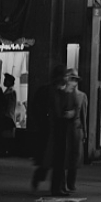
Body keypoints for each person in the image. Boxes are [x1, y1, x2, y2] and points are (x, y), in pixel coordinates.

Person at [29, 64, 69, 193]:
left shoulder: (62, 93)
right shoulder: (46, 91)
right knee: (47, 160)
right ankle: (42, 178)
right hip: (48, 130)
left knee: (58, 161)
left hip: (58, 130)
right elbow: (36, 109)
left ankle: (56, 187)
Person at [50, 68, 86, 195]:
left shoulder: (81, 96)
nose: (73, 82)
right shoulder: (62, 93)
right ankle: (61, 185)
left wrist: (84, 132)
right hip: (64, 130)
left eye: (75, 80)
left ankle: (70, 183)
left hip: (75, 130)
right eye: (71, 79)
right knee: (63, 158)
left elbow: (83, 115)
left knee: (74, 157)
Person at [0, 73, 18, 156]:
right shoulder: (9, 91)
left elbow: (10, 106)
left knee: (7, 134)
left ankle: (7, 151)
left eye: (6, 80)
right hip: (8, 115)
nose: (4, 81)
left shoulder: (11, 92)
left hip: (7, 116)